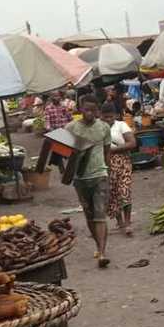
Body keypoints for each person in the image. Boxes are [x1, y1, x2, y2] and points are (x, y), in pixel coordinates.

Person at [65, 95, 112, 268]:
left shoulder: (104, 128)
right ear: (80, 109)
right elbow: (62, 152)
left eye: (93, 110)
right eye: (86, 110)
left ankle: (102, 252)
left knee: (100, 214)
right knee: (89, 214)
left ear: (98, 110)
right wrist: (67, 172)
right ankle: (98, 246)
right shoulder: (71, 128)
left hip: (99, 175)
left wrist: (108, 171)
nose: (90, 113)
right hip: (80, 178)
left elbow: (107, 151)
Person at [101, 102, 135, 236]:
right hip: (105, 164)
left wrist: (114, 149)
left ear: (115, 115)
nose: (108, 120)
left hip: (122, 162)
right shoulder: (98, 127)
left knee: (124, 190)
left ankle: (127, 223)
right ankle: (119, 221)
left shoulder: (121, 125)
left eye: (110, 117)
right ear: (100, 116)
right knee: (113, 194)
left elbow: (132, 143)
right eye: (105, 117)